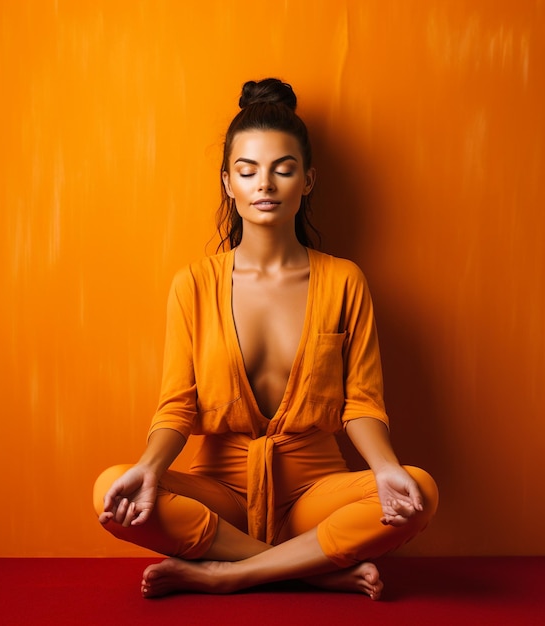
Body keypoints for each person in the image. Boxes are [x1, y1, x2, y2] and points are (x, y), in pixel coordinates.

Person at [93, 78, 438, 600]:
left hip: (316, 494)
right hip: (221, 497)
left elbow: (362, 404)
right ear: (228, 182)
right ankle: (310, 569)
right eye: (248, 170)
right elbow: (176, 406)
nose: (266, 184)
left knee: (420, 491)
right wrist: (149, 469)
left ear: (308, 179)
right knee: (111, 487)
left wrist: (386, 469)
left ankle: (228, 571)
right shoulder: (194, 283)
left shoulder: (345, 280)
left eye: (284, 169)